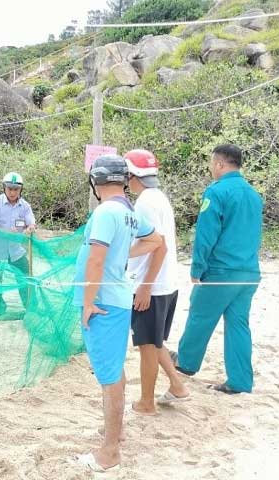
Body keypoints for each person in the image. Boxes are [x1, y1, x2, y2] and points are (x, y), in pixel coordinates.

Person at [73, 155, 163, 472]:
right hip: (117, 299)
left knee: (109, 378)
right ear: (123, 180)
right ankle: (117, 433)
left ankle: (109, 452)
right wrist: (124, 253)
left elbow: (96, 261)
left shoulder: (106, 211)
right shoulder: (127, 210)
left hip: (104, 303)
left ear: (95, 184)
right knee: (115, 371)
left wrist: (87, 302)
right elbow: (155, 240)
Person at [174, 144, 263, 394]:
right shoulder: (254, 194)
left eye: (212, 163)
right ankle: (240, 382)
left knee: (200, 314)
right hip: (249, 272)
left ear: (220, 164)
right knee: (238, 325)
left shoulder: (217, 191)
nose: (211, 168)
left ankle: (186, 363)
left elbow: (206, 234)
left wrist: (197, 267)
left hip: (222, 270)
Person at [124, 149, 189, 415]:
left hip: (153, 285)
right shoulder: (158, 197)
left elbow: (158, 246)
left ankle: (146, 403)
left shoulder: (145, 203)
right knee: (153, 341)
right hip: (166, 283)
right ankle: (177, 385)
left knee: (147, 347)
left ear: (132, 175)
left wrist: (145, 287)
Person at [0, 172, 36, 315]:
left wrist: (30, 227)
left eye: (16, 189)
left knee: (26, 277)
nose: (12, 192)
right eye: (9, 188)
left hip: (15, 251)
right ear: (4, 188)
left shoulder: (25, 206)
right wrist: (6, 232)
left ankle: (31, 309)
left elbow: (30, 222)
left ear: (21, 190)